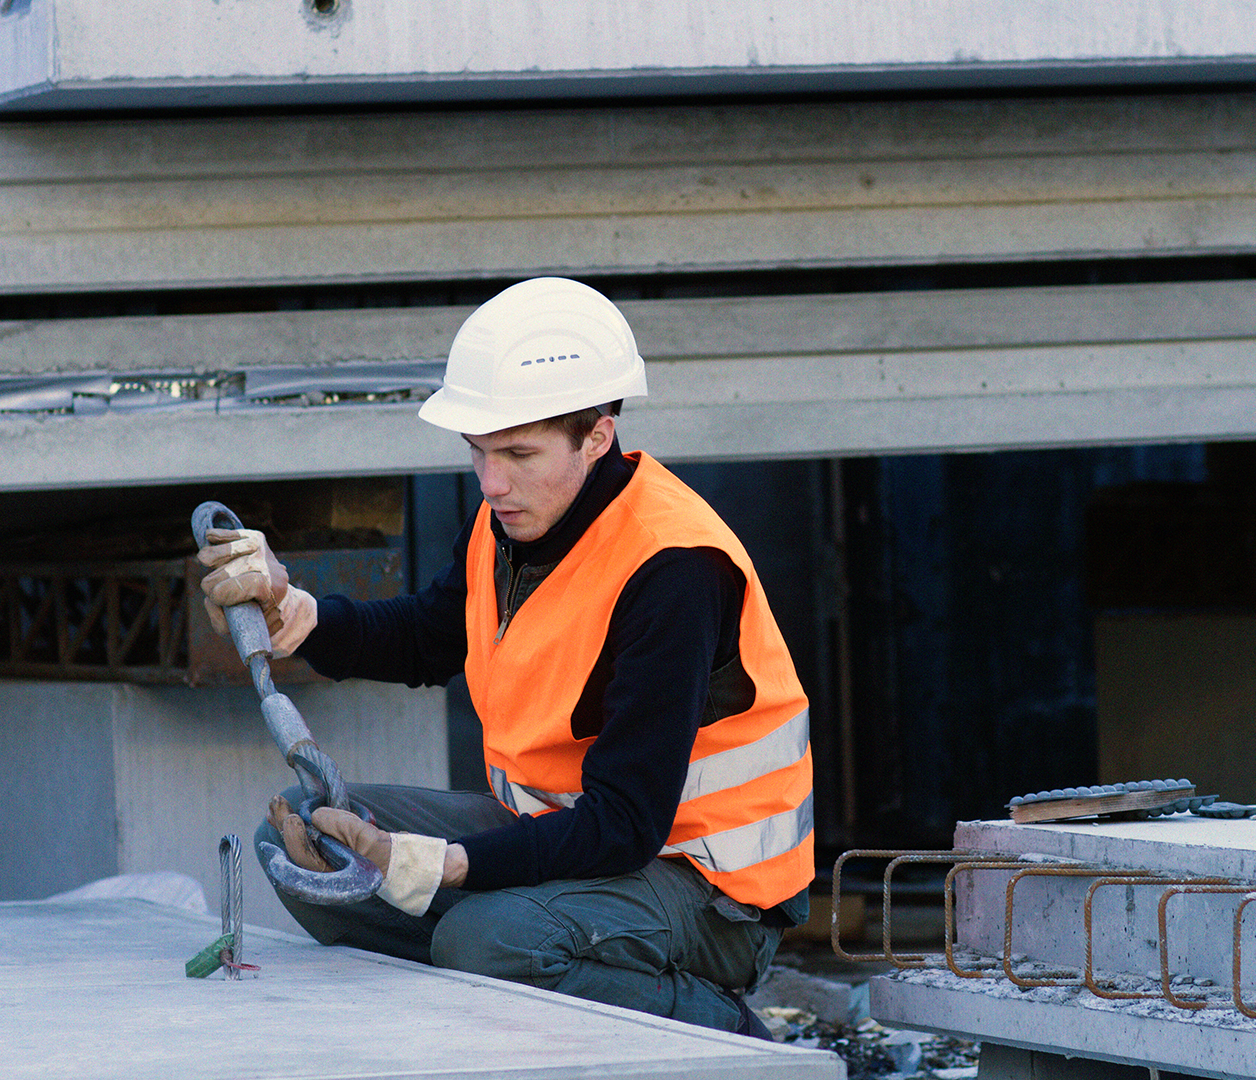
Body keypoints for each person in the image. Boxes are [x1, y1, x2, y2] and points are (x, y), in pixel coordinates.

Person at [196, 277, 813, 1037]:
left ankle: (729, 1035)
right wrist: (296, 614)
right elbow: (427, 635)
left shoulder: (674, 568)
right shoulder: (511, 520)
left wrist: (442, 866)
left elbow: (625, 824)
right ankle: (496, 989)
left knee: (485, 938)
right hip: (562, 833)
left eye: (519, 453)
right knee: (303, 842)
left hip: (711, 891)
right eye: (478, 452)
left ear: (598, 435)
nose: (492, 483)